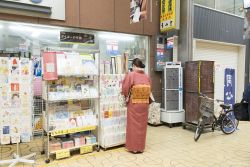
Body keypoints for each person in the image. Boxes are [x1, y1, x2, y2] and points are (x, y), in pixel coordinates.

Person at [122, 58, 151, 153]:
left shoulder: (131, 75)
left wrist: (126, 96)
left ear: (134, 66)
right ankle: (140, 147)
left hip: (134, 103)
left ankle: (133, 148)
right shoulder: (147, 76)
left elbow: (125, 88)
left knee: (133, 125)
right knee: (142, 125)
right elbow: (150, 89)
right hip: (144, 103)